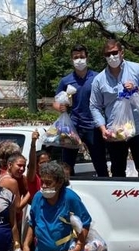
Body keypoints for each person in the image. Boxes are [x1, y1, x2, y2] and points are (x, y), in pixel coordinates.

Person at [90, 39, 139, 177]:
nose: (111, 57)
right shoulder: (99, 79)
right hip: (115, 132)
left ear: (122, 53)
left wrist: (138, 88)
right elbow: (94, 106)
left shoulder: (137, 69)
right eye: (107, 54)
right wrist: (102, 128)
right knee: (117, 170)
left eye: (114, 52)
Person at [53, 44, 108, 177]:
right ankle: (67, 190)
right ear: (71, 60)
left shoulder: (98, 77)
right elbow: (55, 101)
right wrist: (60, 107)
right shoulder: (66, 80)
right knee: (67, 163)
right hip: (73, 126)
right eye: (76, 57)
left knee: (99, 162)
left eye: (82, 57)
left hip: (93, 126)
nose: (79, 60)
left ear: (87, 58)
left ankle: (105, 187)